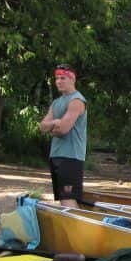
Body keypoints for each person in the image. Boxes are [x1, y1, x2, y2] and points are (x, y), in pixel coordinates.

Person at [39, 63, 87, 207]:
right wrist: (55, 122)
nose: (59, 81)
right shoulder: (56, 102)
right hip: (56, 155)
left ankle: (78, 229)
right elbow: (42, 126)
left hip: (71, 157)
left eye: (63, 78)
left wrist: (52, 127)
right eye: (57, 78)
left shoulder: (77, 101)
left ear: (72, 79)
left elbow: (63, 129)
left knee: (68, 198)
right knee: (63, 198)